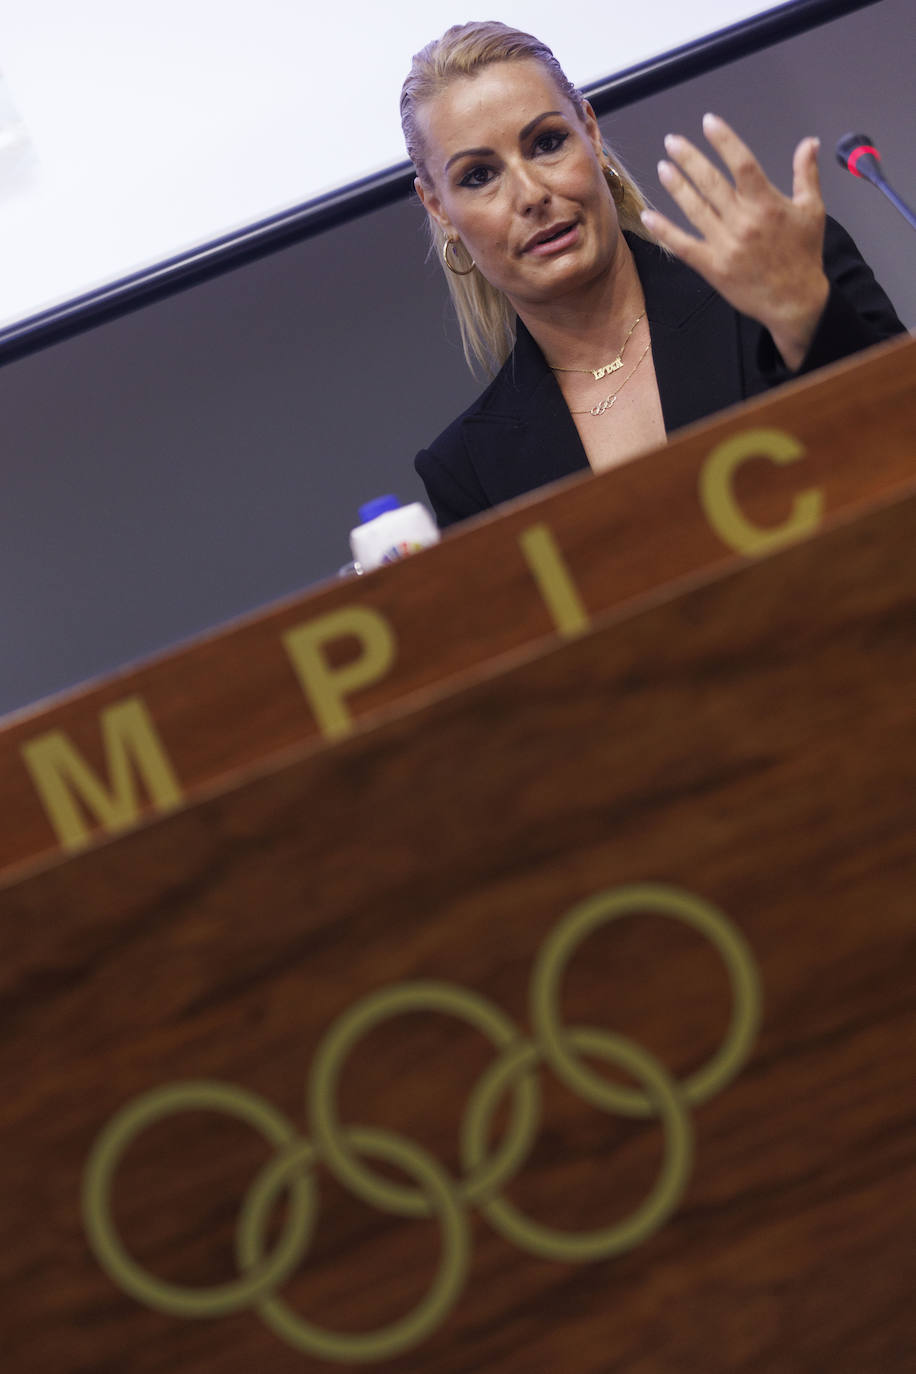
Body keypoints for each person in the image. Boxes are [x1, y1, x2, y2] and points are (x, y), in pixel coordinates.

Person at [400, 21, 906, 528]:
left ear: (591, 134)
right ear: (439, 208)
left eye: (548, 143)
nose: (531, 195)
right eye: (479, 176)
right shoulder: (467, 471)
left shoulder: (784, 279)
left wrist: (812, 325)